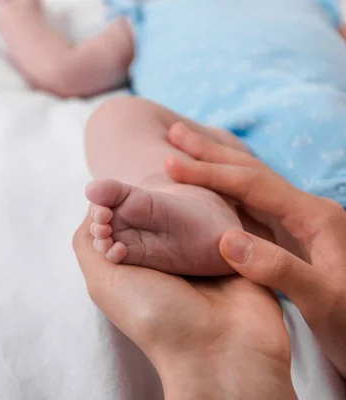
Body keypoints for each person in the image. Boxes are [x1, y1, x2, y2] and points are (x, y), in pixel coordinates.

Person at [0, 0, 346, 277]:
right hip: (226, 161)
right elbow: (67, 71)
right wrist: (18, 17)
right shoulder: (147, 12)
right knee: (115, 119)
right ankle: (196, 211)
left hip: (331, 127)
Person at [74, 126, 346, 397]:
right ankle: (196, 202)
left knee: (118, 120)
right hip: (261, 179)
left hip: (268, 182)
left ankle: (194, 201)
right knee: (120, 121)